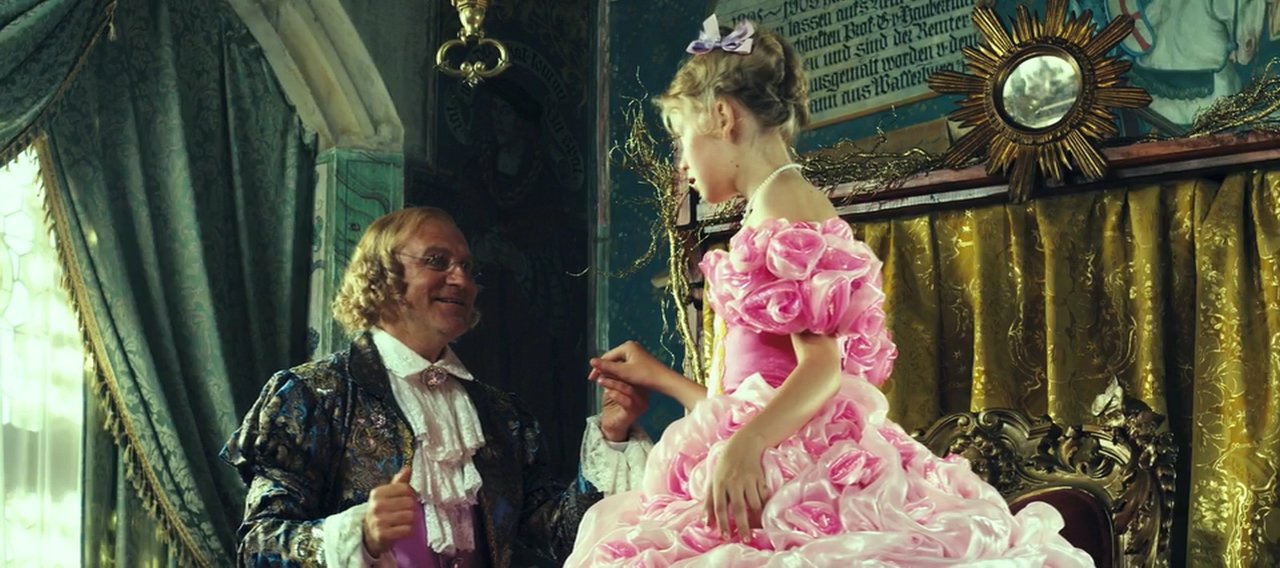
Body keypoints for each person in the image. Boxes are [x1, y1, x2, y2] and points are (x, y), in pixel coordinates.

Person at [565, 16, 1094, 567]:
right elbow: (755, 398)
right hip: (786, 445)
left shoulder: (782, 203)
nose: (682, 164)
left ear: (722, 116)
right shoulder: (773, 202)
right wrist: (662, 380)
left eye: (682, 141)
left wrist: (747, 446)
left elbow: (821, 369)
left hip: (797, 468)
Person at [221, 206, 652, 567]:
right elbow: (259, 546)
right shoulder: (311, 396)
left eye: (467, 267)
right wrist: (358, 534)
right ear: (382, 274)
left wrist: (612, 434)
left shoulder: (501, 417)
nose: (461, 280)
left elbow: (561, 537)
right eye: (437, 261)